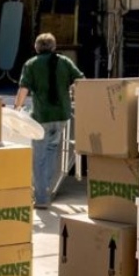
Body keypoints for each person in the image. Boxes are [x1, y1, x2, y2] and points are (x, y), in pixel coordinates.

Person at [13, 32, 84, 209]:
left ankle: (41, 198)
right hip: (61, 116)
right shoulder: (64, 62)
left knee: (39, 158)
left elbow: (23, 90)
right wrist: (74, 95)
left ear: (36, 47)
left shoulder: (31, 64)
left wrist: (17, 109)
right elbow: (81, 80)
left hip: (41, 118)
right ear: (53, 47)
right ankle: (46, 190)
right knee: (52, 152)